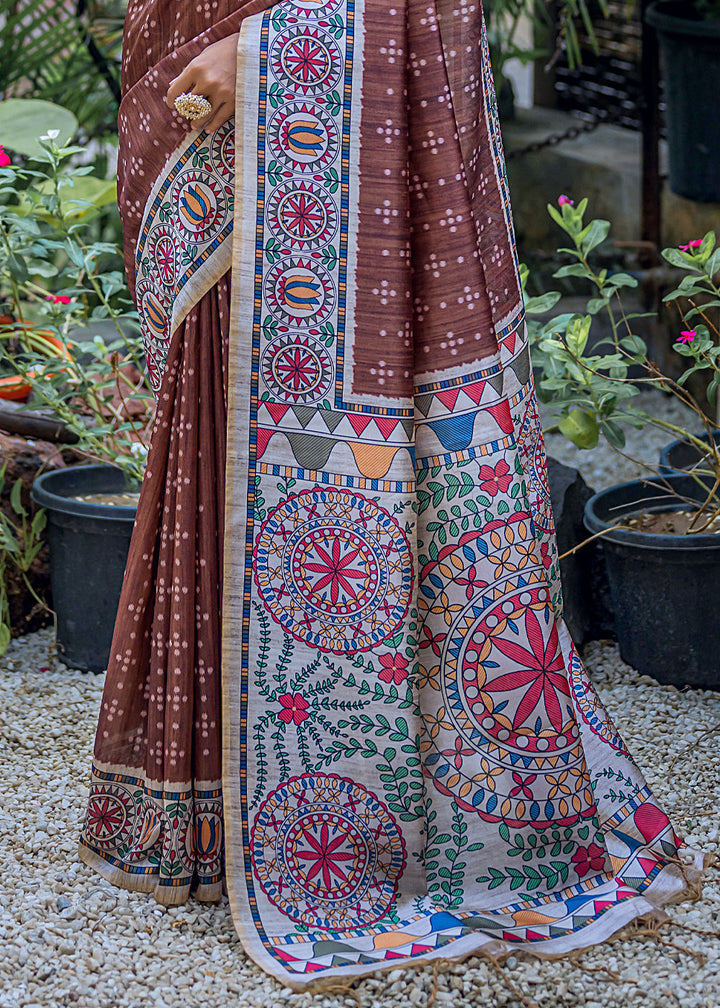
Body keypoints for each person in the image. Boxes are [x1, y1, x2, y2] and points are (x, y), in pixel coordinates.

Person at [79, 0, 704, 990]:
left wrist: (277, 52)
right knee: (213, 376)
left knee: (310, 431)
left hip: (287, 60)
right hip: (194, 62)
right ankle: (198, 815)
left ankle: (370, 829)